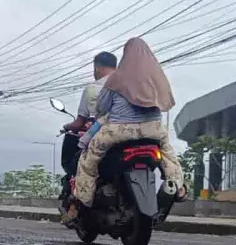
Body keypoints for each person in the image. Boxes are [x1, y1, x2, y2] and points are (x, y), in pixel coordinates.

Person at [65, 38, 186, 221]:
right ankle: (178, 187)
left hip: (119, 131)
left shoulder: (117, 77)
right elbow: (167, 103)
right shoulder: (158, 77)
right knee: (169, 158)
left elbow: (102, 108)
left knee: (88, 158)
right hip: (153, 131)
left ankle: (83, 201)